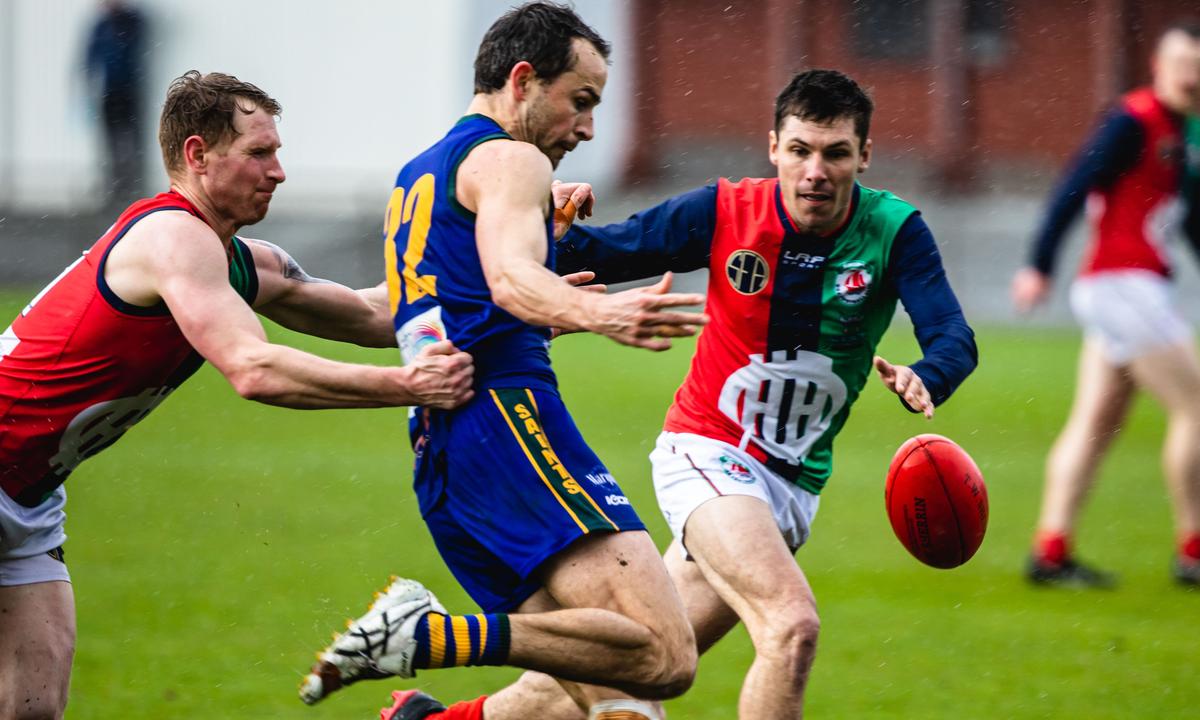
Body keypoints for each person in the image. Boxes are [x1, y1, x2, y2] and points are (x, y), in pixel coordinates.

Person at [371, 68, 978, 720]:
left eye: (835, 154)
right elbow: (616, 250)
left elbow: (952, 334)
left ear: (864, 155)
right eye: (800, 151)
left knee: (629, 671)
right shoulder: (725, 209)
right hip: (709, 456)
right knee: (792, 625)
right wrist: (552, 226)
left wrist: (929, 372)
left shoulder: (895, 231)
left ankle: (431, 719)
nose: (815, 172)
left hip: (793, 486)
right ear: (774, 147)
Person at [0, 70, 475, 720]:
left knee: (32, 709)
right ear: (197, 155)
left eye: (276, 152)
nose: (278, 172)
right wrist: (411, 386)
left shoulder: (238, 258)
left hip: (27, 499)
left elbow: (371, 312)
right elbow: (254, 369)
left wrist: (515, 291)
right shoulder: (173, 239)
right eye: (259, 153)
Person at [298, 5, 706, 720]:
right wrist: (602, 311)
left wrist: (547, 309)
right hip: (508, 424)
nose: (586, 129)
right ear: (523, 80)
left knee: (618, 704)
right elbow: (511, 276)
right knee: (664, 653)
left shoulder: (420, 176)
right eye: (580, 102)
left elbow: (433, 310)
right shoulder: (512, 159)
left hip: (446, 451)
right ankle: (427, 635)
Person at [1011, 22, 1200, 589]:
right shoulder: (1130, 120)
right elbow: (1072, 186)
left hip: (1128, 289)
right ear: (1159, 64)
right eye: (1183, 63)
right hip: (1123, 285)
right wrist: (1039, 265)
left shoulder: (1194, 133)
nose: (1193, 77)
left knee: (1097, 422)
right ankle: (1196, 551)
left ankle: (1050, 551)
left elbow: (1196, 219)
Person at [84, 0, 148, 207]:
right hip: (109, 90)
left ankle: (132, 183)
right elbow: (90, 57)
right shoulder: (101, 25)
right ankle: (114, 184)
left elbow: (130, 47)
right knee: (111, 139)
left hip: (129, 89)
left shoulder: (130, 21)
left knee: (131, 137)